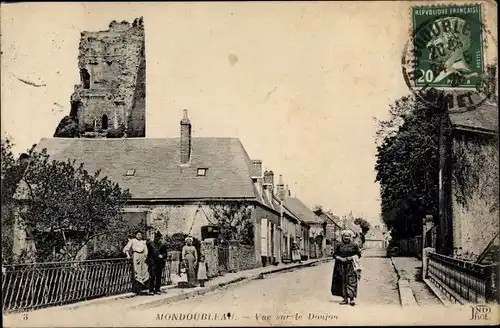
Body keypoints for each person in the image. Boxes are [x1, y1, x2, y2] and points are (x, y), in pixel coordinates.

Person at [331, 229, 362, 306]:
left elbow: (358, 255)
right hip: (340, 266)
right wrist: (340, 258)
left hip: (351, 265)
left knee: (351, 281)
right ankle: (345, 299)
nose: (346, 237)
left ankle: (351, 299)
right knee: (342, 281)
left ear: (350, 237)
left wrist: (350, 258)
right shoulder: (339, 245)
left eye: (348, 236)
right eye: (345, 236)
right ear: (342, 236)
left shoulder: (354, 245)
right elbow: (334, 255)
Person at [123, 231, 149, 295]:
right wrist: (128, 255)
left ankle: (143, 288)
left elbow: (146, 250)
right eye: (138, 234)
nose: (140, 236)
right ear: (136, 235)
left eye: (141, 234)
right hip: (136, 255)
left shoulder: (143, 242)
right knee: (137, 271)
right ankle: (137, 289)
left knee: (144, 271)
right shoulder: (132, 241)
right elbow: (126, 248)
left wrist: (146, 257)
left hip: (142, 256)